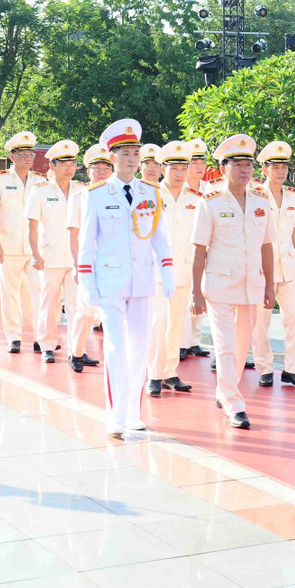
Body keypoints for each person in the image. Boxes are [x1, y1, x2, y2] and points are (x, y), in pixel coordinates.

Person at [77, 119, 174, 439]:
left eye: (136, 153)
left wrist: (168, 273)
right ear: (112, 156)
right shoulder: (96, 195)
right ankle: (115, 415)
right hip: (110, 283)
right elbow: (86, 244)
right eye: (126, 153)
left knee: (140, 348)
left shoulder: (151, 193)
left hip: (143, 282)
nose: (132, 159)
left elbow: (160, 239)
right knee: (117, 348)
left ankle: (133, 411)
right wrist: (87, 284)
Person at [191, 134, 276, 429]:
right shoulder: (210, 202)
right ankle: (234, 403)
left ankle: (224, 391)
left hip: (252, 284)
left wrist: (270, 284)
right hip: (220, 286)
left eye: (248, 165)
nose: (244, 170)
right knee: (225, 346)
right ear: (224, 167)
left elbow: (267, 245)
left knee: (242, 346)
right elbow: (199, 249)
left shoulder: (261, 201)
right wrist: (196, 292)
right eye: (237, 165)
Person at [250, 141, 295, 388]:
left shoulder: (294, 196)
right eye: (275, 167)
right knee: (261, 322)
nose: (281, 171)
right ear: (264, 169)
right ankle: (264, 368)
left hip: (289, 266)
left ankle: (291, 369)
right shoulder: (254, 195)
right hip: (263, 268)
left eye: (284, 166)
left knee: (294, 318)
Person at [146, 141, 199, 397]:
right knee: (159, 322)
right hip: (156, 272)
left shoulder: (196, 199)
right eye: (174, 168)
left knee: (176, 324)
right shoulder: (151, 195)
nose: (179, 173)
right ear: (163, 169)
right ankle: (154, 374)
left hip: (184, 270)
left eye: (183, 168)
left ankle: (170, 373)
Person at [25, 140, 85, 364]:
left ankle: (76, 348)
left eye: (73, 163)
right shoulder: (40, 191)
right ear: (52, 166)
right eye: (64, 163)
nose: (69, 168)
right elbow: (31, 226)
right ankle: (47, 345)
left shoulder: (82, 190)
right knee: (49, 304)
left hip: (75, 257)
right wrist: (35, 254)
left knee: (75, 305)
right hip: (49, 255)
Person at [0, 131, 44, 353]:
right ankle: (14, 337)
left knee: (39, 292)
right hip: (8, 246)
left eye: (31, 153)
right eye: (23, 154)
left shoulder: (40, 180)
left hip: (34, 248)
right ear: (12, 156)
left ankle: (41, 337)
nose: (28, 158)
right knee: (10, 294)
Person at [65, 144, 111, 372]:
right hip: (88, 263)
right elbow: (74, 234)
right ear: (88, 171)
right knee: (85, 312)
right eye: (97, 168)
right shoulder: (79, 198)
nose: (101, 172)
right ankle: (77, 352)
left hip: (113, 263)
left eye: (106, 168)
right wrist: (77, 265)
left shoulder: (120, 195)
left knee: (113, 312)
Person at [181, 138, 213, 360]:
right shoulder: (177, 188)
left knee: (200, 294)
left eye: (202, 162)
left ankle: (194, 341)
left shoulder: (210, 190)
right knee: (183, 297)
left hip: (204, 251)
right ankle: (181, 343)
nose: (200, 167)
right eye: (194, 162)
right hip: (181, 251)